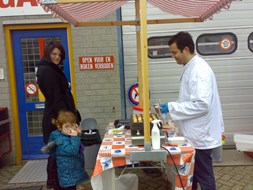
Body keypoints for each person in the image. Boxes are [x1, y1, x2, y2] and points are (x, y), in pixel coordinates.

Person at [159, 31, 224, 190]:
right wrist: (173, 105)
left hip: (200, 136)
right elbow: (190, 100)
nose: (173, 56)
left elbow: (202, 104)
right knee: (192, 175)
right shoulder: (191, 67)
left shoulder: (199, 70)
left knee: (204, 176)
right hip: (195, 134)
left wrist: (172, 107)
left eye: (174, 52)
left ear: (186, 49)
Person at [36, 41, 80, 189]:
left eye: (59, 55)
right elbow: (56, 99)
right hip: (57, 121)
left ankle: (60, 184)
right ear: (48, 53)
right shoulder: (47, 71)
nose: (57, 57)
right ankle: (58, 184)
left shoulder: (53, 69)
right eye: (54, 54)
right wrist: (67, 123)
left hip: (61, 119)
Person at [45, 111, 89, 190]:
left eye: (72, 125)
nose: (70, 129)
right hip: (67, 174)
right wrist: (75, 136)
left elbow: (81, 146)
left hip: (72, 171)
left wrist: (79, 134)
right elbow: (73, 150)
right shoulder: (60, 139)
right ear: (60, 127)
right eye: (67, 126)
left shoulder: (68, 135)